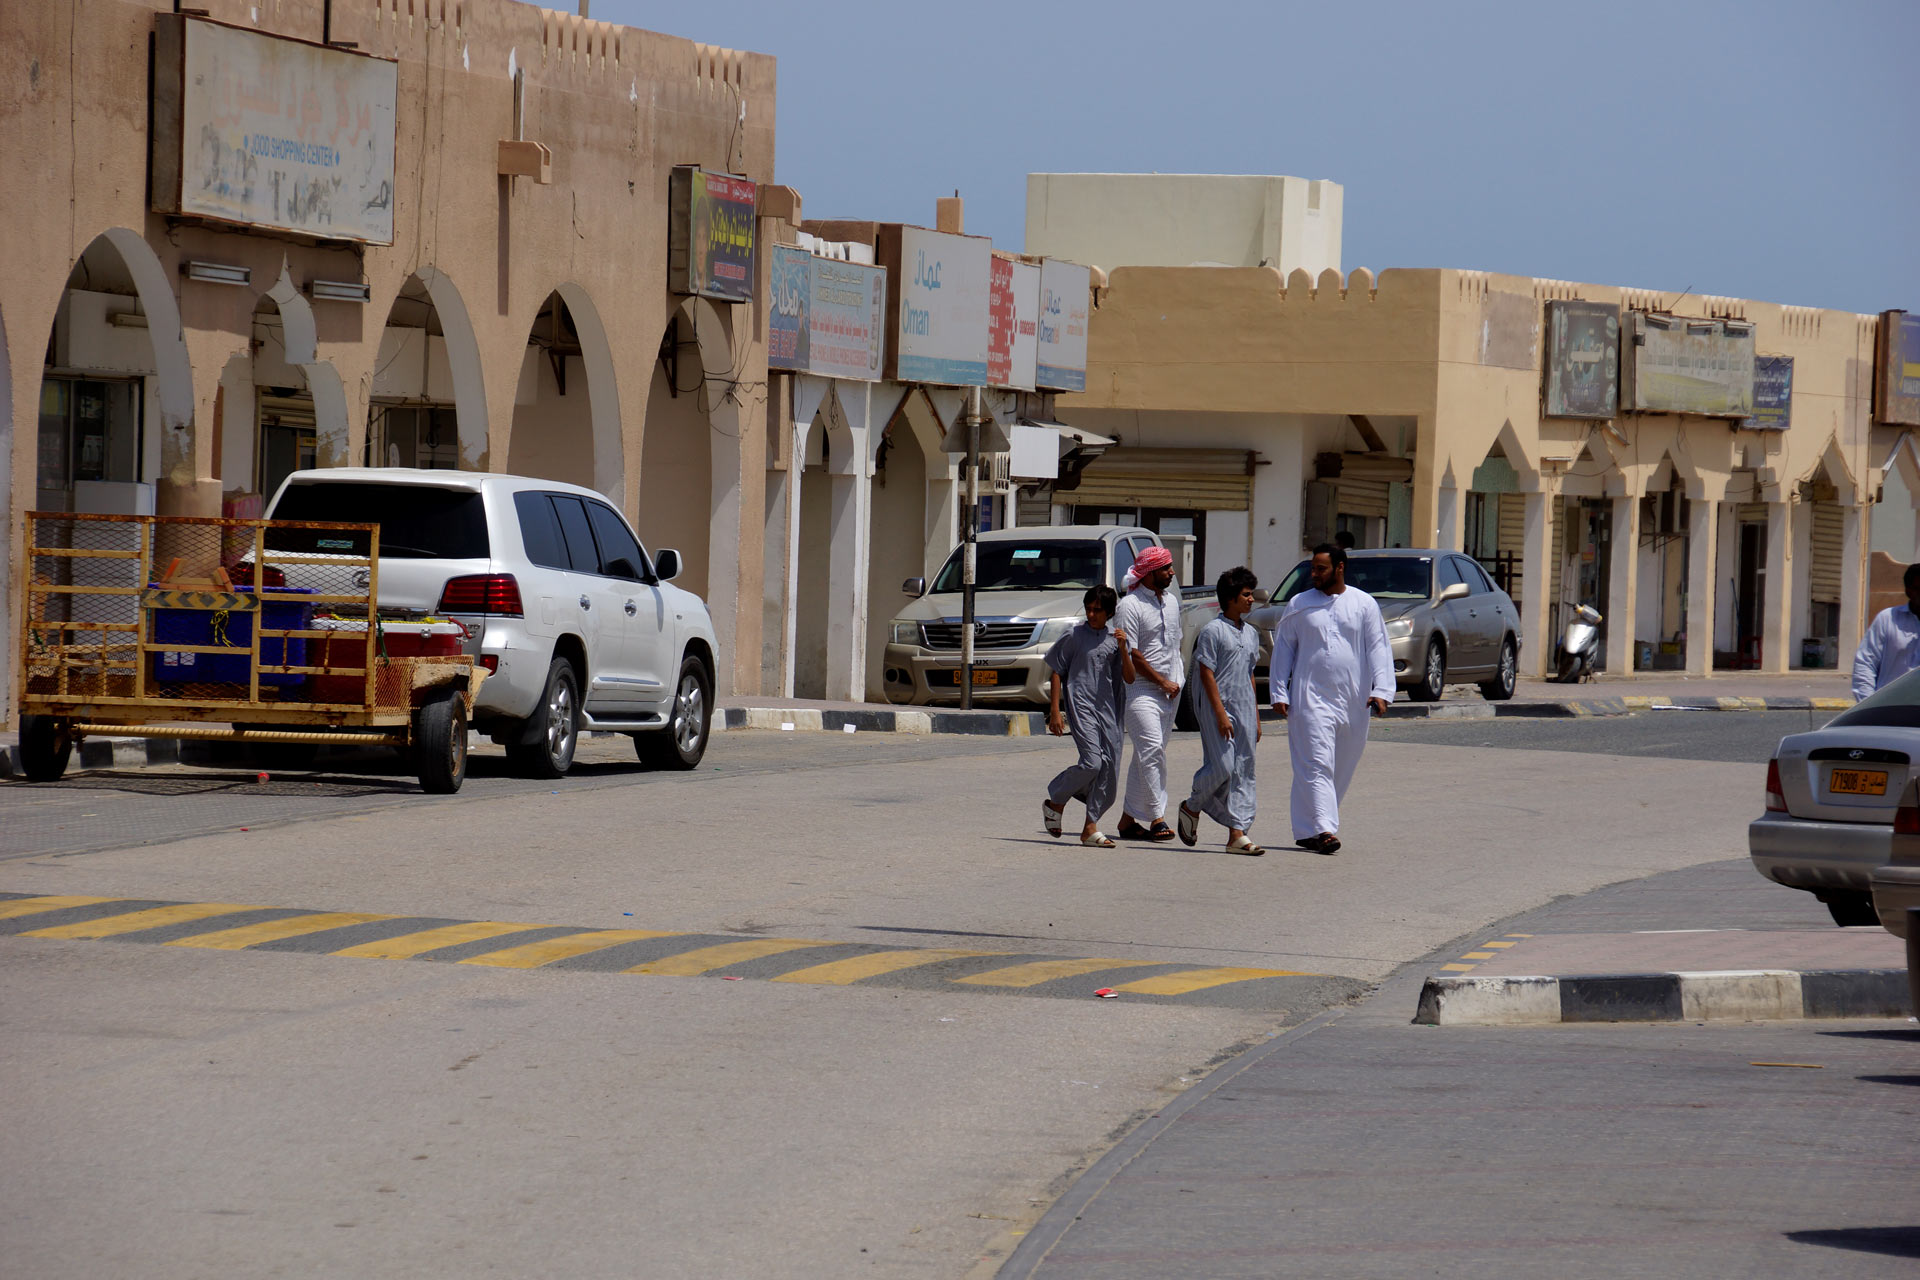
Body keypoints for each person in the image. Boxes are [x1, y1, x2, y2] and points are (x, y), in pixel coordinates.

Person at [1270, 543, 1394, 854]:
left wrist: (1382, 690)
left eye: (1320, 569)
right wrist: (1278, 690)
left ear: (1339, 568)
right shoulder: (1299, 603)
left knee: (1341, 766)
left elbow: (1378, 647)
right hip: (1309, 698)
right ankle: (1325, 829)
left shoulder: (1363, 604)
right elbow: (1284, 648)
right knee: (1316, 763)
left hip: (1353, 699)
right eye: (1312, 568)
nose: (1314, 574)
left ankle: (1307, 829)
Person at [1177, 567, 1264, 855]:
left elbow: (1250, 674)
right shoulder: (1212, 631)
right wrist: (1220, 713)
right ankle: (1192, 805)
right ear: (1230, 598)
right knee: (1223, 767)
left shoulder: (1251, 633)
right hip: (1217, 707)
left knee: (1244, 770)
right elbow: (1206, 673)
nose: (1252, 599)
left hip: (1244, 707)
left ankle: (1237, 835)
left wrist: (1256, 715)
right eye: (1246, 595)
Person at [1042, 585, 1134, 847]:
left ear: (1109, 613)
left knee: (1109, 771)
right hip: (1080, 705)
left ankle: (1090, 828)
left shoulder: (1115, 639)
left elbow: (1129, 677)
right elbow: (1057, 671)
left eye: (1098, 610)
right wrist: (1055, 712)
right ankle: (1056, 797)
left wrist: (1124, 647)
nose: (1092, 614)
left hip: (1109, 710)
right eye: (1089, 609)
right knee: (1093, 762)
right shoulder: (1074, 635)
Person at [1114, 544, 1184, 842]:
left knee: (1147, 756)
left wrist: (1175, 681)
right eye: (1166, 568)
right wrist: (1161, 682)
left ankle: (1128, 821)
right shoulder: (1129, 606)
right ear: (1150, 572)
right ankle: (1158, 818)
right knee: (1152, 750)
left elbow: (1174, 645)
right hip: (1142, 690)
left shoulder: (1171, 602)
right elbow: (1133, 655)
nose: (1172, 572)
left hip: (1171, 690)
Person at [1852, 562, 1920, 700]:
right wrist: (1868, 705)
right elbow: (1865, 663)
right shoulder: (1888, 619)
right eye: (1919, 589)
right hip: (1890, 708)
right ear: (1908, 591)